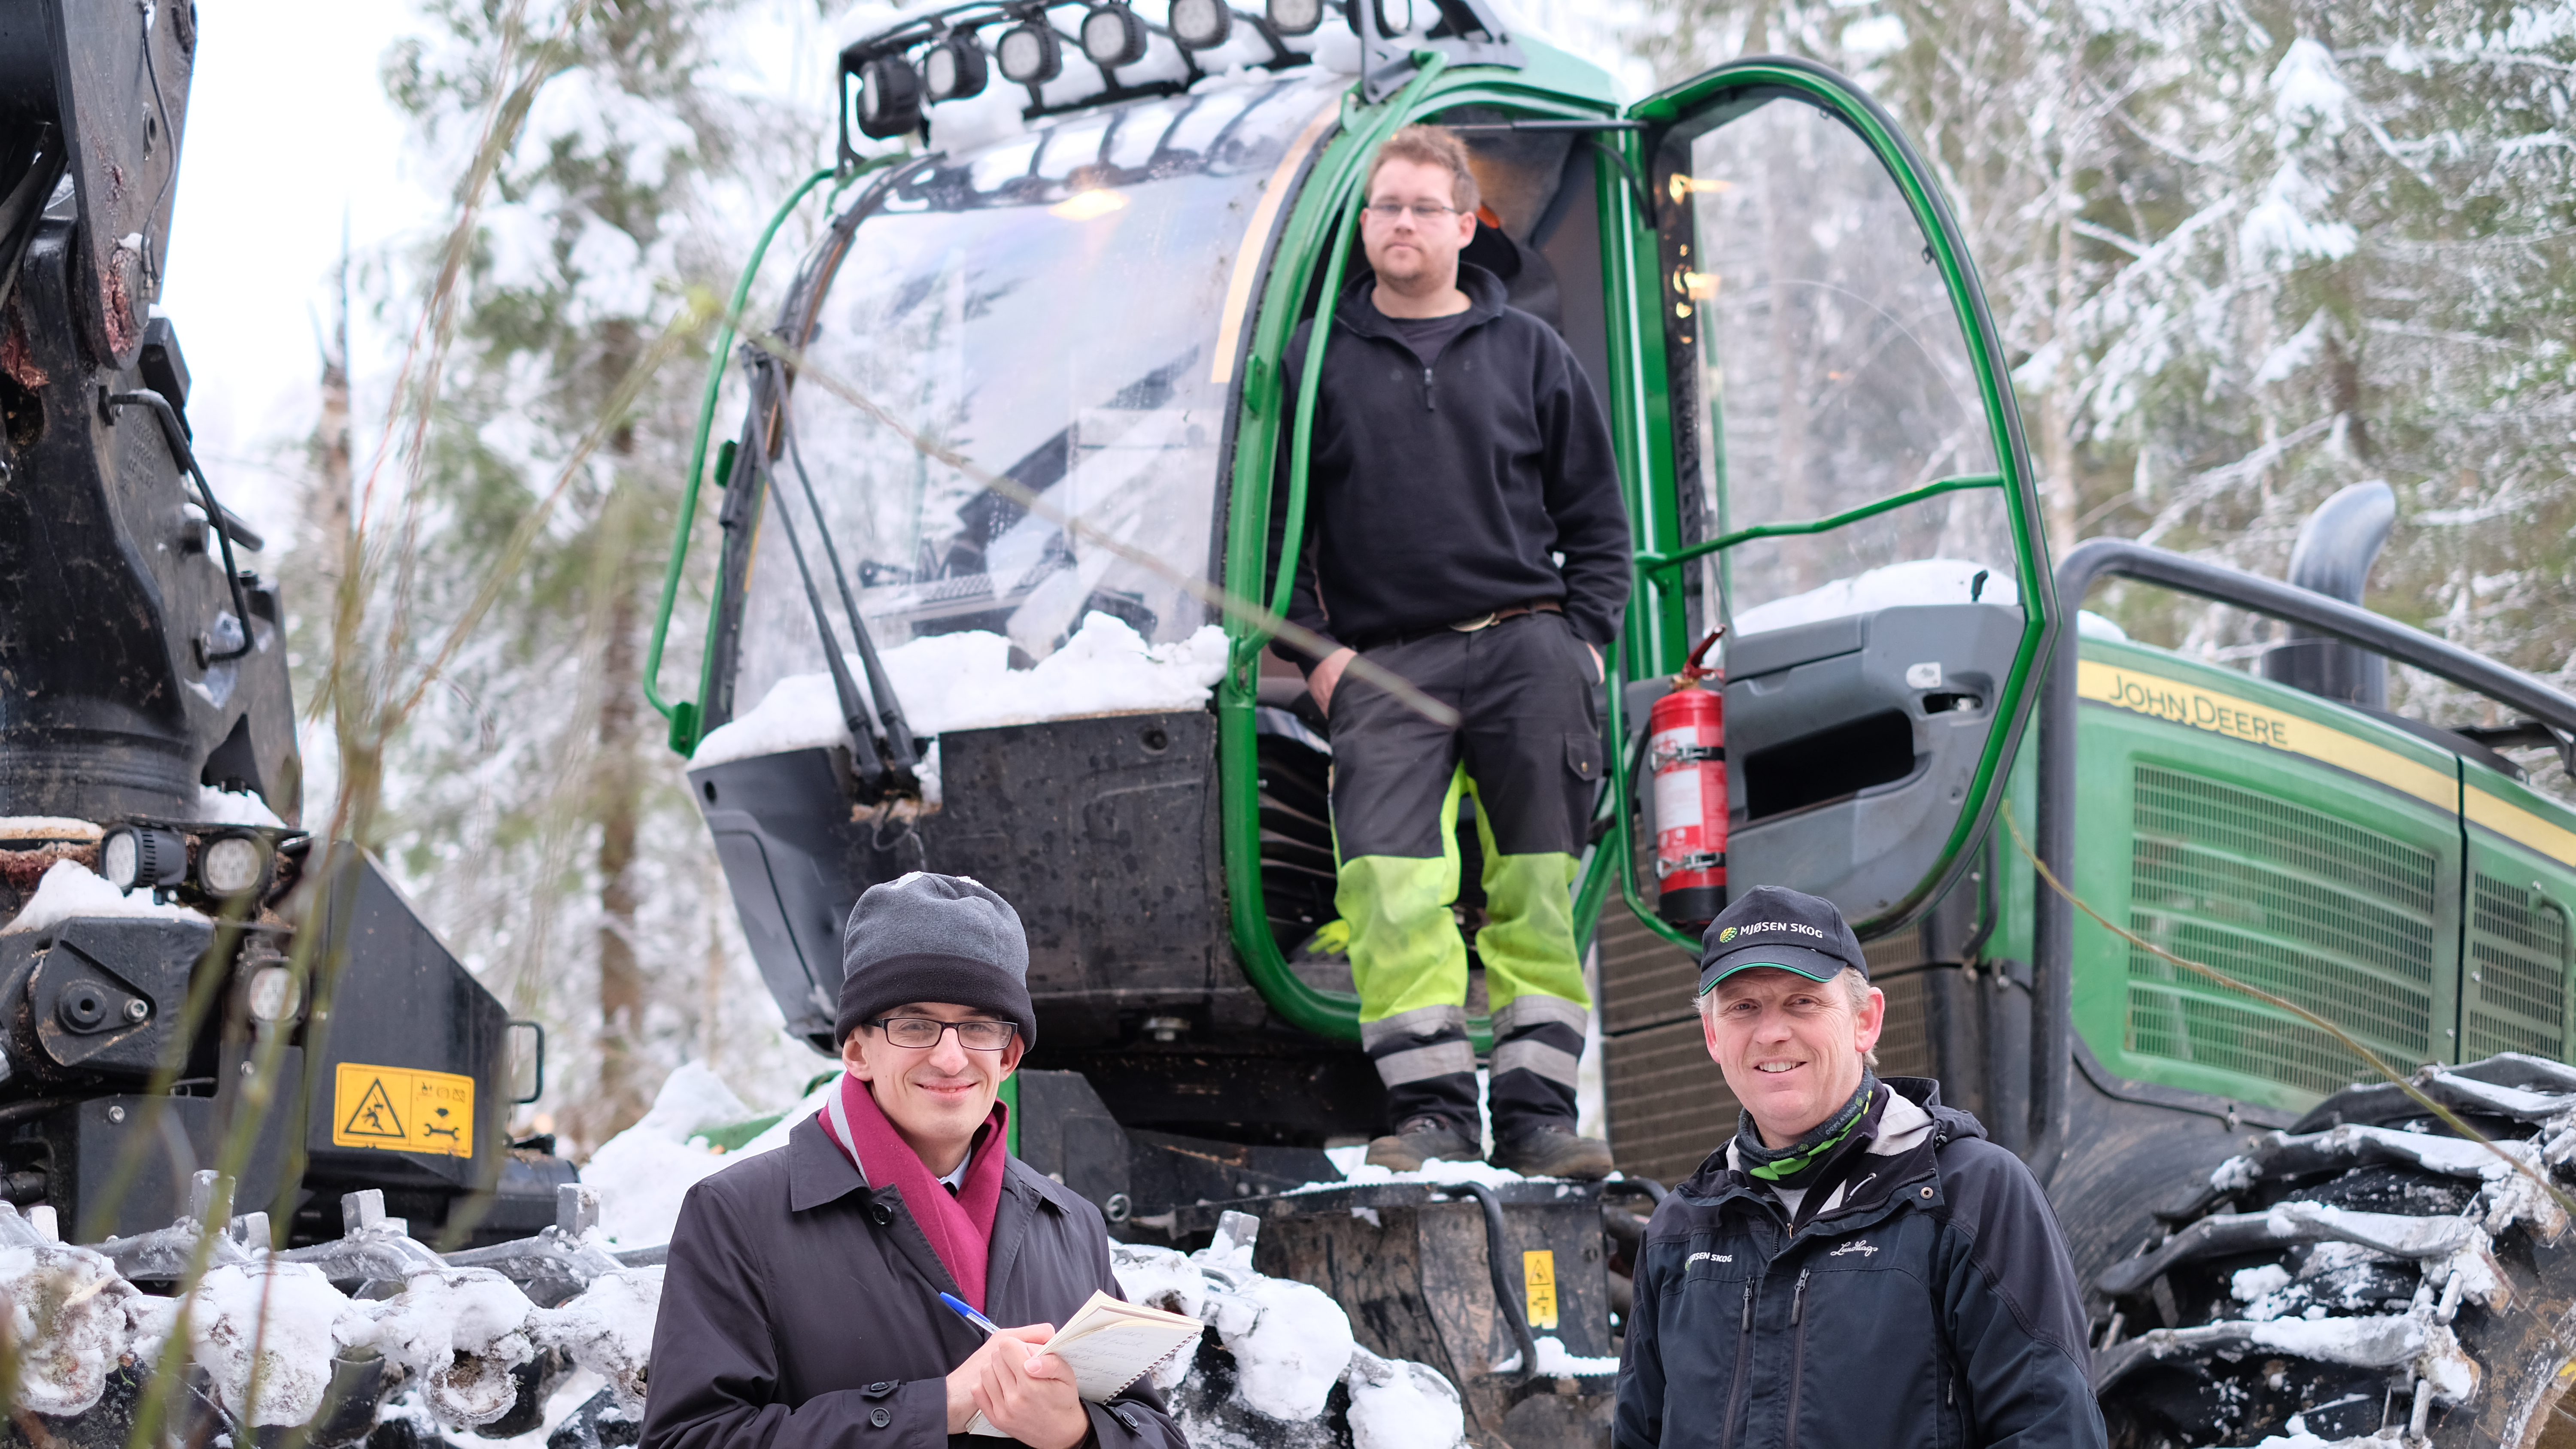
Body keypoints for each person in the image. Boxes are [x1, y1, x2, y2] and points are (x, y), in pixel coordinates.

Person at [1270, 123, 1631, 1179]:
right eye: (1386, 205)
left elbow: (1599, 520)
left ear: (1467, 226)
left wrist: (1585, 643)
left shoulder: (1531, 352)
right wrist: (1322, 656)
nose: (1402, 223)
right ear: (1366, 224)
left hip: (1529, 648)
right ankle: (1429, 1112)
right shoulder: (1314, 362)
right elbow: (1275, 535)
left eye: (1425, 207)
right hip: (1382, 663)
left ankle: (1538, 1116)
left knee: (1534, 887)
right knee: (1386, 886)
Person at [641, 873, 1185, 1449]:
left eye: (979, 1027)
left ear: (1009, 1054)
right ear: (856, 1050)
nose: (950, 1058)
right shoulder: (738, 1215)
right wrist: (932, 1408)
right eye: (916, 1026)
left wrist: (1078, 1432)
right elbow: (689, 1438)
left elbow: (1156, 1433)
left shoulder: (1071, 1225)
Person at [1613, 885, 2106, 1448]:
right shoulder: (1680, 1231)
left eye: (1802, 1002)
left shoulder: (1970, 1195)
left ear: (1865, 1020)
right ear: (1713, 1036)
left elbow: (2050, 1432)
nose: (1772, 1032)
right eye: (1744, 1007)